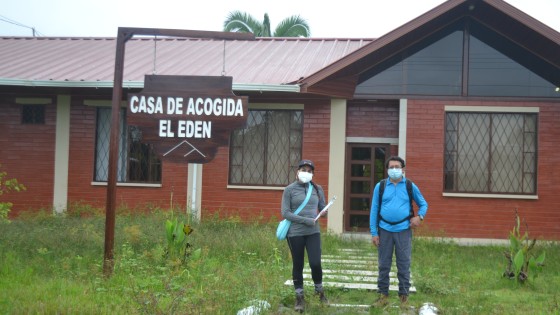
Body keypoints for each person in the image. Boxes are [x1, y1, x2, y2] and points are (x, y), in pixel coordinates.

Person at [370, 156, 428, 307]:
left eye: (397, 167)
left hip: (403, 230)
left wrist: (419, 217)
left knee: (404, 264)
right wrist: (374, 232)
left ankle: (404, 298)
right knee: (384, 265)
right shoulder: (380, 186)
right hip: (384, 230)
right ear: (387, 169)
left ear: (403, 169)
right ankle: (383, 296)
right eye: (391, 167)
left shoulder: (409, 186)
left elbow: (423, 204)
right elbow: (374, 210)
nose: (394, 169)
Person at [281, 159, 329, 312]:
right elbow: (285, 213)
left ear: (313, 174)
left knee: (315, 263)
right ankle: (299, 296)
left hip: (313, 231)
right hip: (295, 233)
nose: (306, 173)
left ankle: (319, 291)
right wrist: (306, 220)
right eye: (303, 170)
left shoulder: (317, 188)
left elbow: (322, 208)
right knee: (298, 264)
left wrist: (324, 212)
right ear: (297, 172)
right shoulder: (289, 190)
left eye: (309, 171)